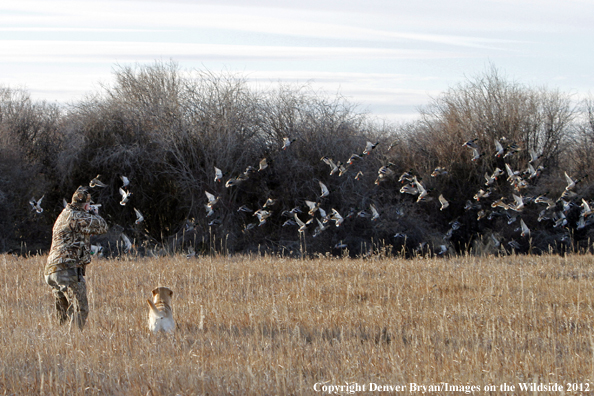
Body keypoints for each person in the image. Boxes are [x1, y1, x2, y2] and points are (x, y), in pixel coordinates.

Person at [45, 186, 108, 329]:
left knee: (63, 312)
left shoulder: (64, 214)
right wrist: (94, 214)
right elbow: (103, 226)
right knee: (80, 309)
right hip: (68, 269)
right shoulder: (79, 216)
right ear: (86, 204)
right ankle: (73, 342)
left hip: (51, 271)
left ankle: (58, 338)